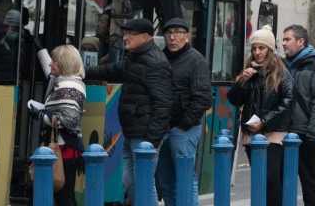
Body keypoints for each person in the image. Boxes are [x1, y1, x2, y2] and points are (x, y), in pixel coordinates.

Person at [86, 18, 173, 203]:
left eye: (131, 34)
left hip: (144, 137)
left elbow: (163, 105)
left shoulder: (155, 63)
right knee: (132, 182)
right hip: (132, 132)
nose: (125, 37)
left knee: (143, 183)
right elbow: (112, 70)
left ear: (146, 37)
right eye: (125, 33)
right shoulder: (135, 57)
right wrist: (82, 72)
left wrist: (150, 142)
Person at [227, 25, 293, 206]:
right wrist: (241, 81)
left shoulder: (281, 72)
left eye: (261, 48)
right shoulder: (249, 71)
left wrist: (264, 121)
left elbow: (288, 101)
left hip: (273, 133)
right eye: (254, 48)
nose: (257, 52)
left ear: (270, 49)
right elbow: (234, 100)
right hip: (252, 134)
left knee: (270, 178)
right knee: (259, 179)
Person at [155, 18, 213, 206]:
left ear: (186, 36)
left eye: (178, 33)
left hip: (184, 129)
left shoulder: (196, 60)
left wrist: (183, 124)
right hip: (161, 128)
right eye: (169, 33)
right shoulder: (159, 58)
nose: (173, 37)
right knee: (165, 180)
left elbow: (203, 98)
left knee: (185, 179)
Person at [26, 45, 86, 206]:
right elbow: (49, 71)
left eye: (54, 61)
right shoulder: (62, 81)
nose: (50, 64)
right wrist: (39, 48)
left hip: (64, 148)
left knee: (62, 196)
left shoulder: (70, 87)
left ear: (63, 64)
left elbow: (68, 121)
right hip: (61, 147)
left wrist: (41, 114)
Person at [280, 24, 315, 206]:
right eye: (283, 39)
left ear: (301, 41)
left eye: (287, 39)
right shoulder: (281, 65)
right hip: (282, 132)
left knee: (309, 181)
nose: (283, 43)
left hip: (304, 133)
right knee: (280, 182)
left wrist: (312, 134)